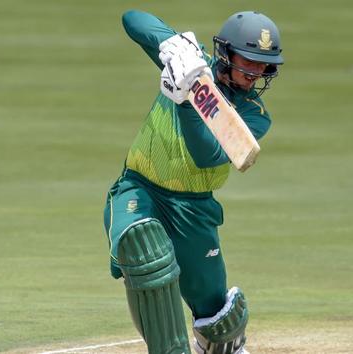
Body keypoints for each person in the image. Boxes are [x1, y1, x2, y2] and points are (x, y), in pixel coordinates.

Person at [102, 9, 283, 354]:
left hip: (194, 211)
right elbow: (131, 19)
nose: (257, 72)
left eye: (265, 64)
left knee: (220, 325)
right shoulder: (189, 61)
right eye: (251, 60)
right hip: (140, 189)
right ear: (226, 53)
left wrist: (185, 100)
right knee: (144, 246)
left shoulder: (254, 115)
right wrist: (171, 47)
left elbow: (206, 154)